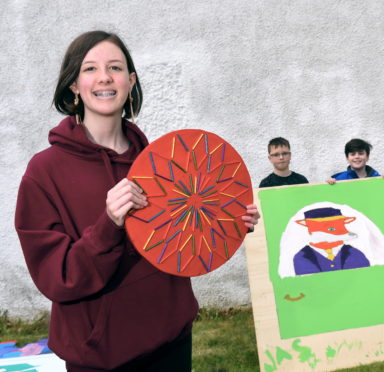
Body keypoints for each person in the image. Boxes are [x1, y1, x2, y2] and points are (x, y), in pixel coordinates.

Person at [14, 31, 259, 372]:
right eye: (90, 69)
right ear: (74, 85)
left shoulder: (161, 160)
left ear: (130, 81)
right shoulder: (44, 172)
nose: (104, 77)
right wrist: (108, 224)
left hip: (171, 340)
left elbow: (183, 238)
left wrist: (228, 221)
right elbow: (57, 277)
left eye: (115, 67)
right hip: (100, 356)